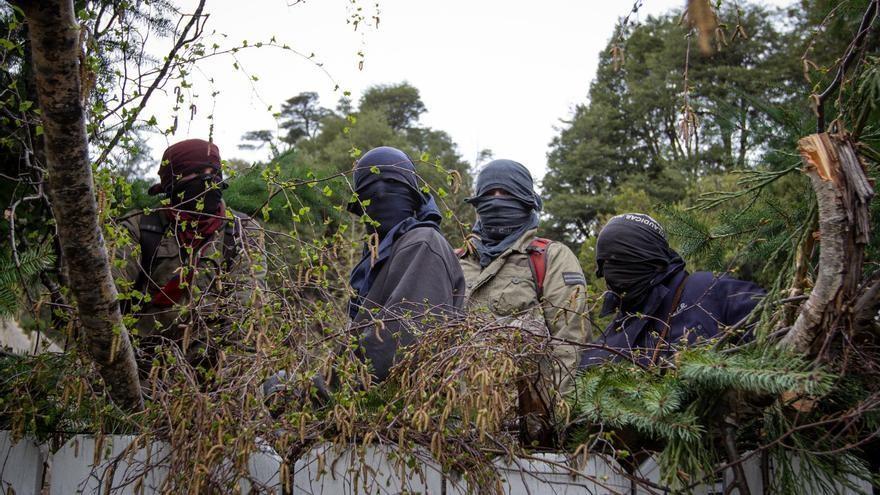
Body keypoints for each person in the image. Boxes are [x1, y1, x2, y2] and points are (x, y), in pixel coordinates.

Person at [458, 159, 589, 444]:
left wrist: (551, 428)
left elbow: (568, 346)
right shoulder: (457, 260)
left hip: (526, 434)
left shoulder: (550, 258)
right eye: (489, 193)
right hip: (460, 433)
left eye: (505, 193)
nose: (496, 201)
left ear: (525, 200)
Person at [114, 138, 265, 369]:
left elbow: (246, 314)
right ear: (173, 183)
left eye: (214, 173)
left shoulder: (241, 232)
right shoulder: (139, 228)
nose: (209, 182)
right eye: (197, 173)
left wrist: (229, 386)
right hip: (141, 368)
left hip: (213, 375)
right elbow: (108, 304)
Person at [343, 145, 466, 383]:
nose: (380, 194)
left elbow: (397, 346)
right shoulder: (372, 260)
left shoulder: (422, 245)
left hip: (414, 413)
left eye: (392, 187)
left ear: (412, 196)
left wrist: (314, 391)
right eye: (370, 190)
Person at [579, 213, 765, 369]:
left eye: (623, 259)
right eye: (606, 263)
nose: (613, 271)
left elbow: (777, 331)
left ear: (654, 259)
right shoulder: (604, 344)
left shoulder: (710, 290)